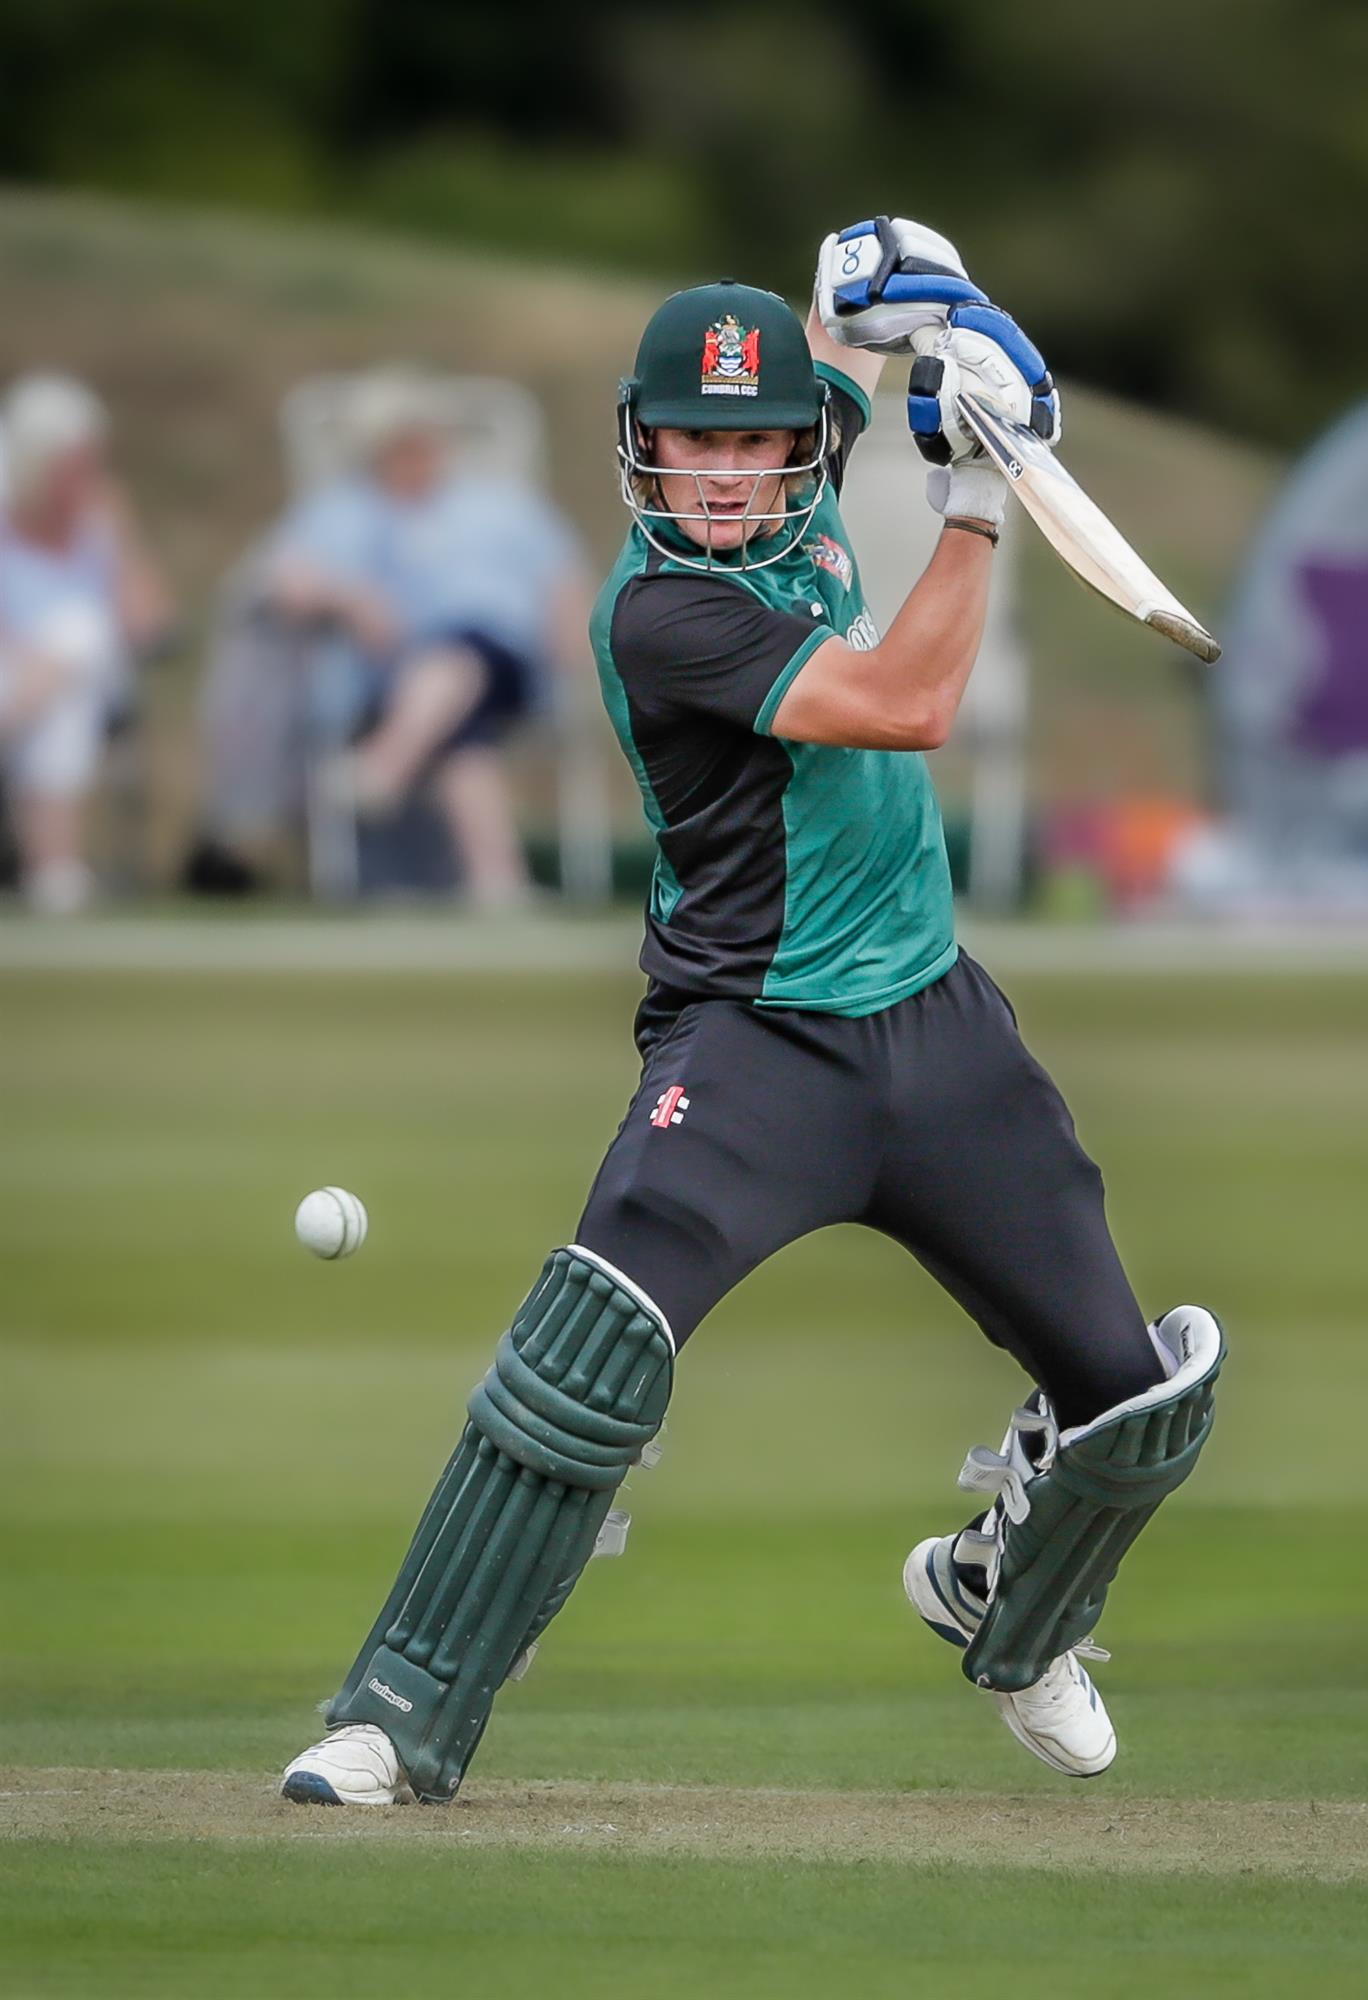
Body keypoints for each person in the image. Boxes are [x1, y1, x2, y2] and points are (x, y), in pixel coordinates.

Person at [281, 219, 1225, 1808]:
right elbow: (912, 704)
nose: (729, 474)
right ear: (644, 450)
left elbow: (838, 342)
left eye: (760, 441)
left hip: (936, 1030)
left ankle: (1008, 1598)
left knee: (1137, 1396)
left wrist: (881, 271)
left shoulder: (800, 459)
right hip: (751, 1043)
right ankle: (397, 1713)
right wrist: (978, 486)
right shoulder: (660, 618)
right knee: (585, 1358)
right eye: (695, 443)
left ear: (803, 445)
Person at [265, 368, 590, 906]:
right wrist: (348, 597)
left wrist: (575, 649)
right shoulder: (344, 512)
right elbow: (285, 583)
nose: (416, 457)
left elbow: (563, 578)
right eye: (400, 446)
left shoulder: (500, 504)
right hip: (395, 675)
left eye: (423, 443)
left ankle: (380, 771)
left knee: (460, 659)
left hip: (507, 657)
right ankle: (497, 884)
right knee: (463, 736)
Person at [0, 373, 172, 912]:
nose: (85, 476)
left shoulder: (101, 528)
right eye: (71, 463)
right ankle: (56, 871)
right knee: (63, 670)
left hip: (86, 684)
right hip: (13, 674)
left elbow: (151, 627)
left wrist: (120, 541)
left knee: (80, 634)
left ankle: (55, 870)